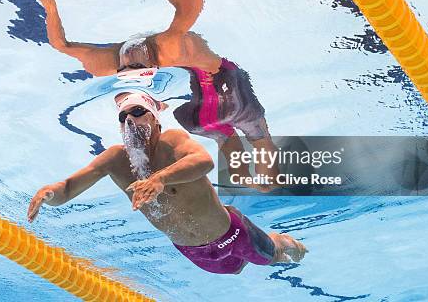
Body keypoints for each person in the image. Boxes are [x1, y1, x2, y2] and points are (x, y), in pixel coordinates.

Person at [30, 0, 279, 190]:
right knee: (259, 136)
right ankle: (266, 183)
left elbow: (60, 44)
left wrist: (49, 3)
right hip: (229, 91)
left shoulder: (108, 63)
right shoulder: (170, 46)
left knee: (223, 136)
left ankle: (245, 179)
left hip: (199, 119)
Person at [27, 91, 306, 274]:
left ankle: (284, 241)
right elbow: (67, 189)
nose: (130, 120)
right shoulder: (115, 159)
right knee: (235, 271)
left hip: (232, 235)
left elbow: (204, 162)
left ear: (155, 120)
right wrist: (48, 193)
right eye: (123, 117)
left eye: (137, 112)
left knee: (273, 257)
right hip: (193, 251)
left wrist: (160, 178)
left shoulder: (171, 141)